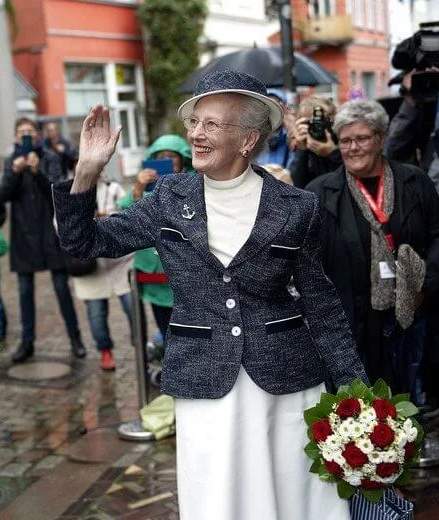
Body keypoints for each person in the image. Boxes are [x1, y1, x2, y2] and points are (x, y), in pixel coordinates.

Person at [53, 70, 368, 520]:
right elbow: (83, 243)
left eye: (212, 124)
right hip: (204, 380)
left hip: (286, 380)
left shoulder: (297, 207)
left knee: (295, 497)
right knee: (216, 500)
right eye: (194, 122)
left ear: (247, 139)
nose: (196, 134)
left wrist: (357, 391)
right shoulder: (167, 197)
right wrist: (85, 171)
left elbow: (321, 303)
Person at [306, 100, 439, 405]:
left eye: (362, 138)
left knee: (409, 404)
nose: (353, 147)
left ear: (380, 138)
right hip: (352, 322)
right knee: (358, 411)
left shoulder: (414, 181)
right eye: (345, 140)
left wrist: (426, 285)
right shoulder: (319, 192)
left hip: (411, 315)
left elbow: (436, 235)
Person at [0, 117, 86, 363]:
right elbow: (2, 196)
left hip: (50, 233)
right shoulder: (11, 161)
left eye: (29, 131)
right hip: (23, 235)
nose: (26, 135)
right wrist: (16, 172)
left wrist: (37, 172)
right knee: (25, 292)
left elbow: (58, 194)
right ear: (16, 137)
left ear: (37, 135)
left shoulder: (50, 157)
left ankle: (75, 338)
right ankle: (27, 343)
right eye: (21, 132)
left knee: (61, 289)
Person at [117, 135, 193, 345]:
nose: (167, 159)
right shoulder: (147, 189)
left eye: (171, 156)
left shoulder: (195, 182)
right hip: (154, 277)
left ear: (182, 159)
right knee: (167, 333)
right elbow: (126, 216)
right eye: (161, 156)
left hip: (187, 276)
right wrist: (138, 189)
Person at [72, 174, 134, 371]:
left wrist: (109, 218)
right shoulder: (69, 191)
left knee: (133, 308)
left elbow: (130, 213)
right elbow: (60, 225)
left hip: (120, 263)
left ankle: (140, 345)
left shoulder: (113, 187)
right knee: (96, 315)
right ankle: (105, 350)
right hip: (91, 267)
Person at [290, 96, 342, 189]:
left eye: (319, 121)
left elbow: (346, 181)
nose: (316, 127)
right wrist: (302, 150)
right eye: (309, 123)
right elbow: (298, 185)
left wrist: (332, 153)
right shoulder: (302, 147)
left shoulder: (342, 142)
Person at [254, 88, 295, 171]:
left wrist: (291, 129)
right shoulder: (255, 137)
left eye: (275, 107)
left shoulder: (289, 135)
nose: (270, 113)